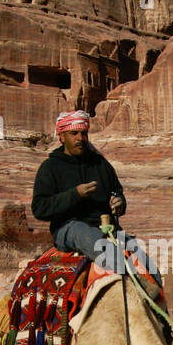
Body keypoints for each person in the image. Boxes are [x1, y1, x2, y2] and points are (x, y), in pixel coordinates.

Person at [31, 110, 160, 285]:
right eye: (74, 133)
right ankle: (133, 282)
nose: (80, 138)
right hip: (69, 227)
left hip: (106, 227)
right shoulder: (50, 167)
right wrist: (75, 195)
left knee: (144, 259)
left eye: (84, 133)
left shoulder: (101, 164)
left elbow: (117, 192)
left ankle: (158, 305)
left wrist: (119, 203)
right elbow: (40, 208)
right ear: (62, 137)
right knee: (91, 239)